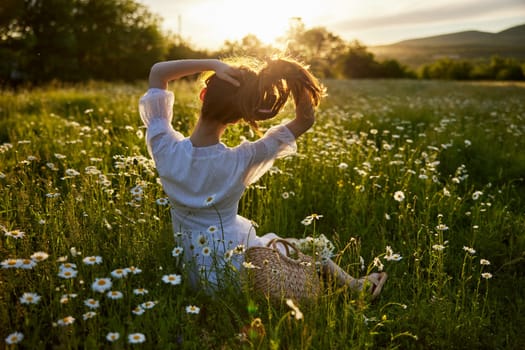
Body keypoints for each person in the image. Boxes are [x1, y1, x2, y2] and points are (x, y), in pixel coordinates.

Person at [138, 57, 387, 297]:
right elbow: (305, 119)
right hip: (237, 271)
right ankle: (356, 287)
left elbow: (158, 72)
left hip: (193, 273)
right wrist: (293, 77)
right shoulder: (244, 159)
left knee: (281, 243)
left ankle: (349, 285)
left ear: (203, 96)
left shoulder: (163, 146)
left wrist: (213, 64)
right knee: (302, 245)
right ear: (238, 119)